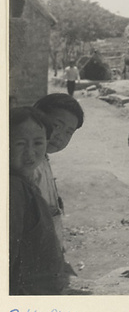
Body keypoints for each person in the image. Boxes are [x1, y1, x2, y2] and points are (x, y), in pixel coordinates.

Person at [9, 107, 67, 295]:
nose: (30, 153)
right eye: (20, 144)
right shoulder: (13, 190)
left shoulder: (26, 183)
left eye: (38, 143)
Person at [32, 94, 85, 251]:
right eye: (56, 126)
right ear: (36, 118)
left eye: (69, 132)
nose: (60, 136)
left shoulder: (43, 158)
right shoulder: (28, 166)